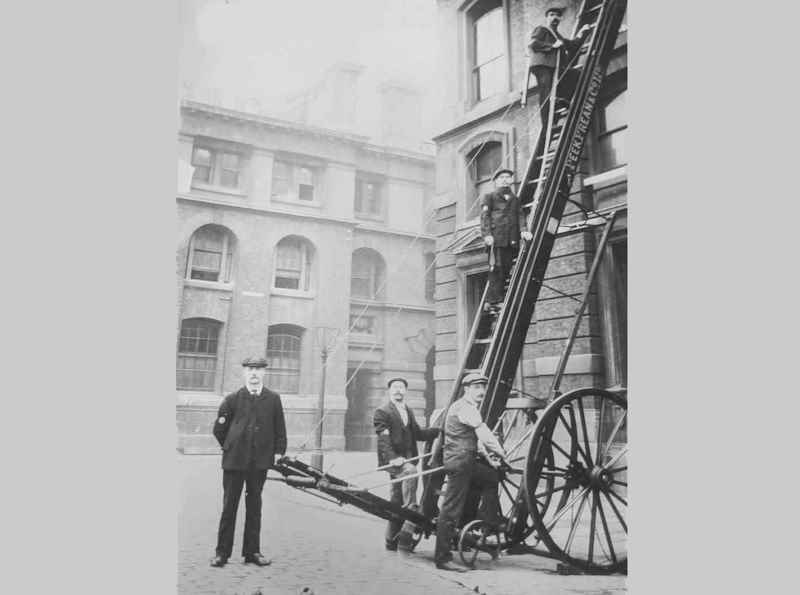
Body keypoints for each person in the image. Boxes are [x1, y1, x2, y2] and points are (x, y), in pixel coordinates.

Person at [209, 357, 287, 568]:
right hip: (235, 463)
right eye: (250, 369)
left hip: (259, 463)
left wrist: (279, 452)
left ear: (264, 373)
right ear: (244, 372)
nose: (254, 373)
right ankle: (222, 553)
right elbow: (219, 429)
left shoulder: (273, 399)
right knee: (229, 507)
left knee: (255, 506)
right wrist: (231, 446)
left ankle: (252, 552)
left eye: (258, 370)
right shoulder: (233, 399)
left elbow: (280, 428)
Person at [433, 373, 507, 572]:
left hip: (466, 462)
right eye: (476, 387)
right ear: (467, 389)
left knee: (490, 476)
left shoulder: (464, 407)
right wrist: (500, 451)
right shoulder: (465, 408)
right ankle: (442, 558)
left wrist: (489, 458)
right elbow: (482, 432)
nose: (481, 392)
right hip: (460, 464)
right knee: (450, 510)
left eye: (483, 387)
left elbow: (475, 439)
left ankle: (482, 524)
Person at [373, 377, 440, 551]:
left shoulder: (408, 410)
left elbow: (417, 433)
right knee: (410, 472)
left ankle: (390, 540)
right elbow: (383, 438)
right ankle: (411, 514)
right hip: (394, 461)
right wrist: (392, 457)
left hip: (408, 458)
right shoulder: (382, 411)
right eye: (394, 387)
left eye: (401, 387)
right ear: (389, 391)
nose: (398, 390)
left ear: (405, 391)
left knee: (396, 499)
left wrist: (439, 431)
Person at [521, 5, 593, 125]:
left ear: (560, 19)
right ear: (547, 18)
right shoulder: (542, 29)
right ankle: (546, 124)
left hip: (554, 67)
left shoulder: (558, 36)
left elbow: (572, 45)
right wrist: (551, 46)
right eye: (551, 15)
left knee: (575, 74)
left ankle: (561, 100)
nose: (555, 17)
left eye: (557, 16)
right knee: (546, 90)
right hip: (543, 64)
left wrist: (582, 33)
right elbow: (533, 43)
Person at [480, 168, 533, 313]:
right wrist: (487, 235)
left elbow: (520, 215)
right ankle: (494, 301)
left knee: (506, 268)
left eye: (507, 177)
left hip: (511, 239)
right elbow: (484, 217)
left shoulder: (515, 199)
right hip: (496, 239)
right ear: (496, 181)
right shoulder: (489, 197)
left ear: (510, 180)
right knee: (497, 268)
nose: (505, 179)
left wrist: (524, 231)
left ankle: (496, 300)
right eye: (501, 177)